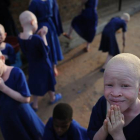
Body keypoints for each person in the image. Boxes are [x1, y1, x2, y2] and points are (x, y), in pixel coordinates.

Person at [87, 53, 140, 140]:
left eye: (125, 86)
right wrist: (105, 128)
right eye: (109, 85)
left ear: (139, 89)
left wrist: (117, 134)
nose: (115, 93)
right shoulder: (102, 104)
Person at [18, 11, 62, 111]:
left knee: (34, 83)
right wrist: (43, 36)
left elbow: (27, 50)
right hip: (43, 65)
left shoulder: (20, 37)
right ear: (32, 22)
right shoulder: (37, 39)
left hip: (32, 66)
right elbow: (46, 51)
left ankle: (35, 104)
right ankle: (53, 98)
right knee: (49, 81)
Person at [0, 51, 45, 140]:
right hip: (8, 123)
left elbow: (26, 99)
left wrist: (4, 88)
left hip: (24, 118)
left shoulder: (16, 73)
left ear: (2, 59)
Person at [29, 0, 64, 76]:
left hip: (51, 27)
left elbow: (56, 14)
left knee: (53, 47)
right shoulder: (34, 2)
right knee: (44, 49)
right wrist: (33, 32)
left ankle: (54, 66)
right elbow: (31, 18)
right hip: (40, 29)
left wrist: (58, 28)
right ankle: (47, 67)